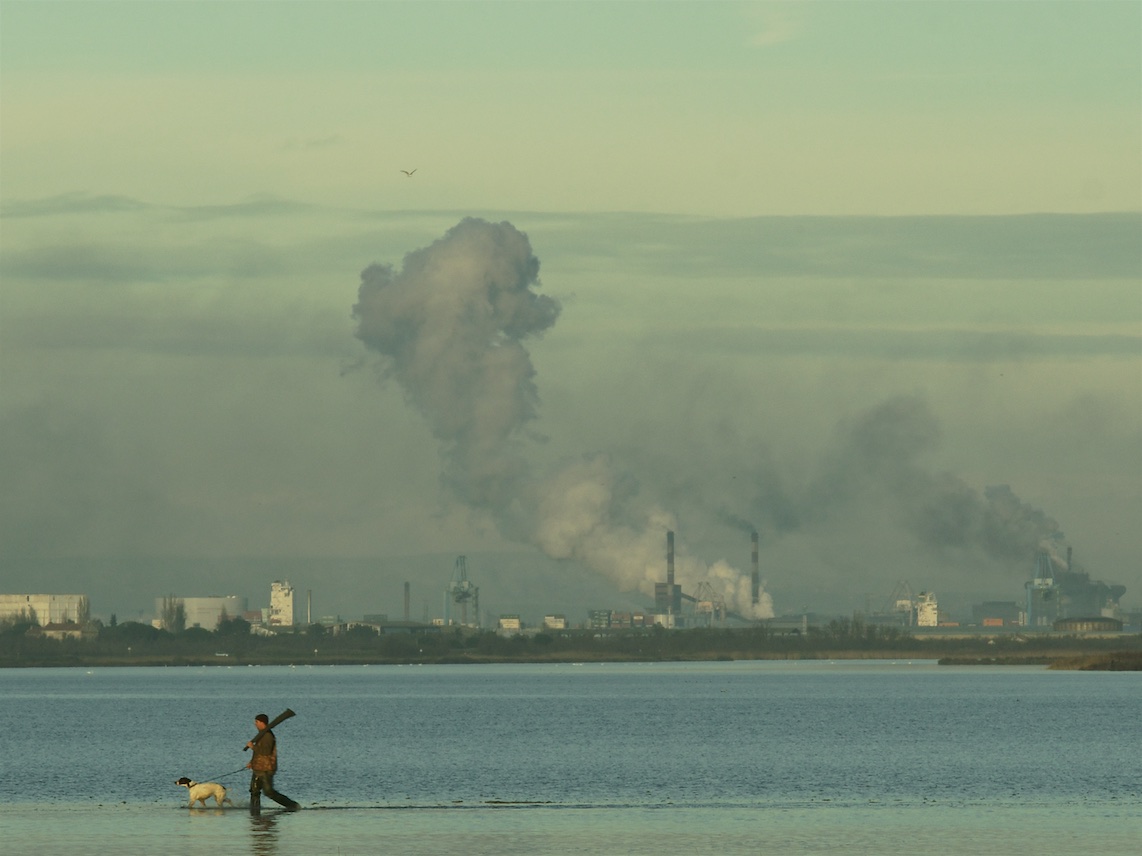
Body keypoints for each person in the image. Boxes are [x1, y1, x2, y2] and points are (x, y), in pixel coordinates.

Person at [246, 713, 300, 812]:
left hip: (266, 768)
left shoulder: (267, 736)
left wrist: (252, 747)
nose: (255, 724)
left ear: (262, 723)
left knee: (269, 792)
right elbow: (259, 752)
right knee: (254, 791)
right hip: (258, 767)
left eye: (257, 722)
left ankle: (293, 805)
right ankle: (254, 811)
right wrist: (251, 762)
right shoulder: (261, 735)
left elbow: (265, 751)